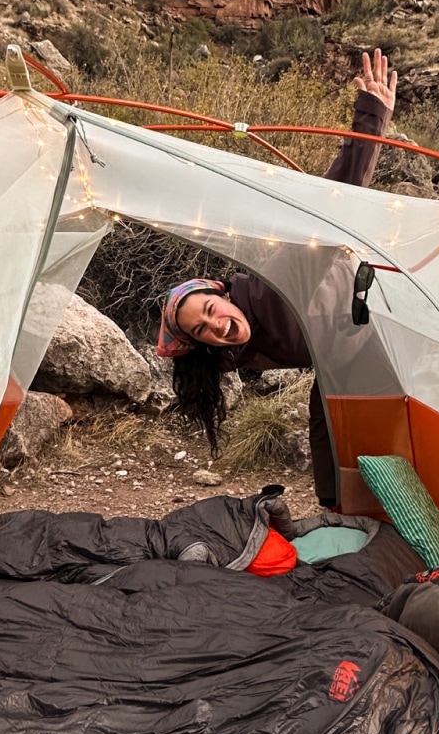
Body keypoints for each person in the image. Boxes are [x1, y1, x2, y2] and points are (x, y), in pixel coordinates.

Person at [156, 49, 397, 509]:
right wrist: (177, 342)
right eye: (201, 331)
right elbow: (195, 355)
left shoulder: (276, 285)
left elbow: (332, 203)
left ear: (223, 294)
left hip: (380, 338)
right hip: (337, 364)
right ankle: (337, 515)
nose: (215, 326)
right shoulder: (232, 347)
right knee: (330, 458)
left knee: (391, 449)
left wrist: (372, 114)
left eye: (210, 311)